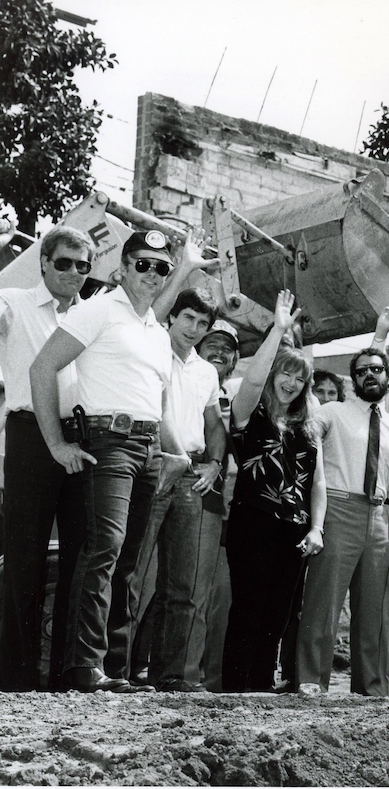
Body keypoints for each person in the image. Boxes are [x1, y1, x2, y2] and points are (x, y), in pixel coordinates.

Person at [30, 229, 191, 693]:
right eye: (143, 264)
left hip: (146, 450)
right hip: (109, 442)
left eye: (162, 268)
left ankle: (114, 668)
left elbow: (156, 403)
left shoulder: (157, 332)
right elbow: (42, 367)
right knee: (105, 548)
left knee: (129, 560)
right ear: (122, 268)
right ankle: (84, 666)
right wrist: (57, 444)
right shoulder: (98, 309)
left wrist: (171, 452)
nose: (152, 274)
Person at [0, 226, 92, 691]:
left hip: (83, 439)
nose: (74, 272)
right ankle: (15, 678)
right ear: (43, 262)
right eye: (64, 263)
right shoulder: (13, 303)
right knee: (23, 558)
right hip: (30, 435)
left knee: (80, 560)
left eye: (83, 265)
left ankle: (64, 678)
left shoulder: (94, 314)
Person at [221, 290, 326, 692]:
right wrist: (279, 331)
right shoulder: (250, 411)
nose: (292, 383)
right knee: (247, 609)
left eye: (300, 379)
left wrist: (316, 528)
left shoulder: (309, 427)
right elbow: (251, 379)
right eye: (286, 374)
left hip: (294, 530)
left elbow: (316, 483)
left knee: (277, 617)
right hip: (254, 520)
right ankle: (235, 691)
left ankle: (262, 689)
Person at [296, 346, 389, 696]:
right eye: (361, 371)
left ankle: (370, 688)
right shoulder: (333, 412)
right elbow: (309, 426)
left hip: (378, 518)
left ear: (388, 376)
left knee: (373, 612)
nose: (369, 375)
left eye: (376, 369)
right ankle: (311, 680)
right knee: (324, 603)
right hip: (338, 509)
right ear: (354, 378)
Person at [131, 288, 224, 692]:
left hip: (190, 476)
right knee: (132, 576)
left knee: (182, 585)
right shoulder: (151, 349)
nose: (194, 329)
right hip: (152, 464)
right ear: (172, 317)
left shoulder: (207, 371)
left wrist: (215, 464)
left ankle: (172, 675)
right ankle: (116, 671)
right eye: (188, 318)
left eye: (203, 323)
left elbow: (215, 423)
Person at [195, 320, 240, 692]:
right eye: (212, 343)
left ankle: (210, 681)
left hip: (224, 513)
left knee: (218, 601)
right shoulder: (184, 383)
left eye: (227, 348)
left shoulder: (237, 397)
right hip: (189, 498)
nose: (219, 352)